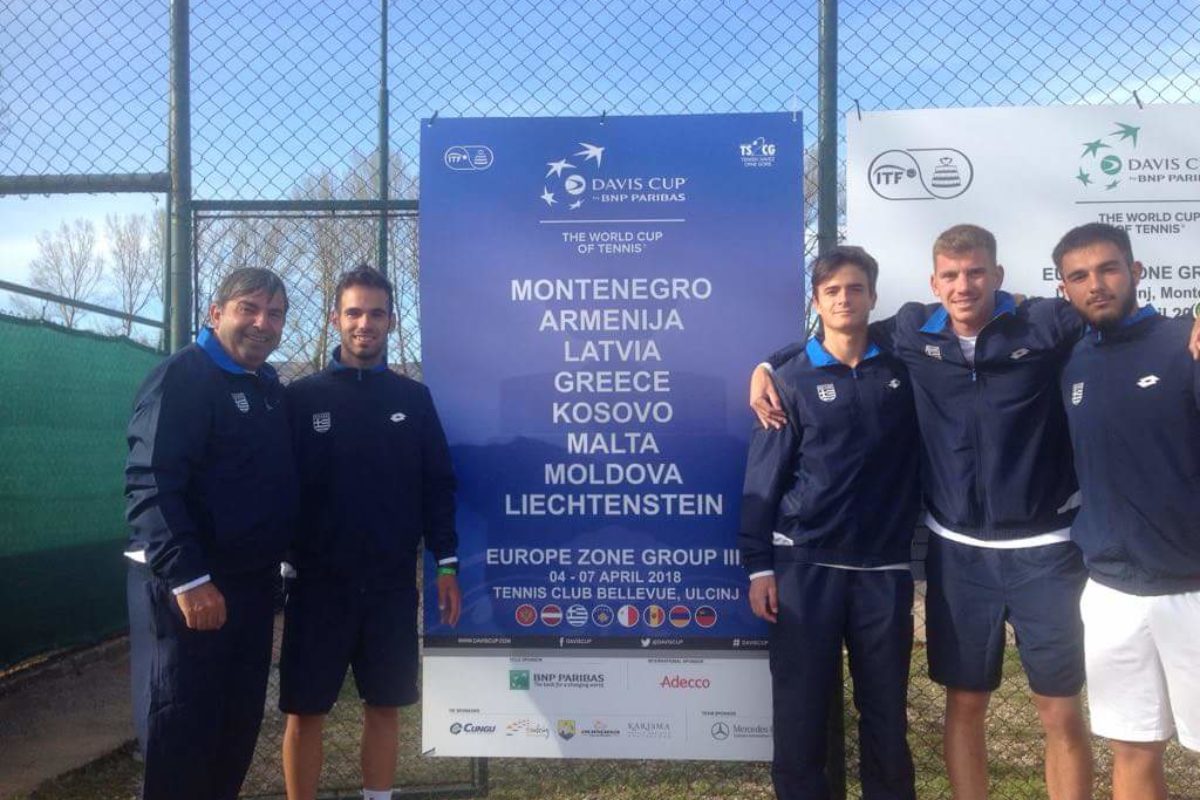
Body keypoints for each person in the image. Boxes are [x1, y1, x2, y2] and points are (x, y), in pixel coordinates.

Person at [753, 225, 1094, 800]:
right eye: (952, 277)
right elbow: (837, 336)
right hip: (955, 551)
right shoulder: (912, 331)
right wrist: (770, 363)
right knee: (962, 704)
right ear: (934, 283)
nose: (964, 287)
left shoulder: (1043, 323)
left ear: (998, 276)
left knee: (1059, 711)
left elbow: (1113, 315)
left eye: (976, 273)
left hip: (1044, 546)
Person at [740, 246, 921, 800]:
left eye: (855, 288)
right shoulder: (787, 379)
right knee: (800, 715)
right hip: (803, 567)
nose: (845, 299)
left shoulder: (905, 367)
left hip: (882, 569)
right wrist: (758, 569)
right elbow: (762, 481)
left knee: (886, 715)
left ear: (873, 295)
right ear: (816, 300)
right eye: (832, 291)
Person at [279, 266, 460, 800]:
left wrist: (446, 565)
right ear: (335, 318)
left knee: (384, 706)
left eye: (376, 313)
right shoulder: (301, 399)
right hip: (316, 588)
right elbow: (275, 488)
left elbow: (438, 487)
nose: (365, 324)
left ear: (391, 322)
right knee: (304, 711)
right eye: (354, 312)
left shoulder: (415, 399)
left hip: (389, 587)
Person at [124, 267, 297, 800]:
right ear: (215, 313)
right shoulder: (184, 376)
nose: (262, 323)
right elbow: (150, 483)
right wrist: (189, 578)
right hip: (193, 593)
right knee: (183, 737)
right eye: (248, 308)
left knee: (235, 733)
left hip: (250, 590)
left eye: (274, 313)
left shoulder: (268, 386)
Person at [1053, 223, 1200, 800]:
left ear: (1136, 272)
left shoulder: (1184, 342)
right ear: (1064, 289)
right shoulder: (1070, 362)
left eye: (1109, 269)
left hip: (1191, 586)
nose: (1097, 284)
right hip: (1112, 588)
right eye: (1080, 276)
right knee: (1132, 748)